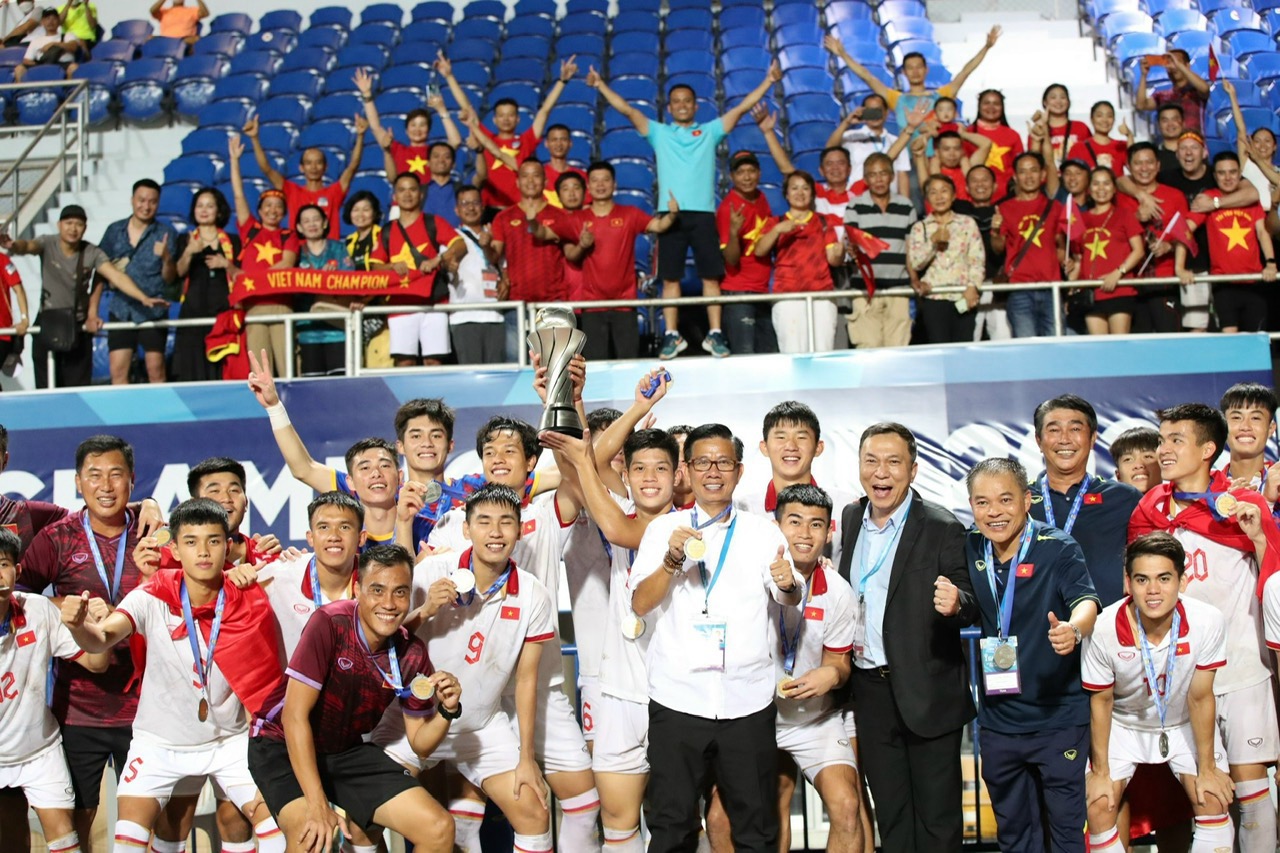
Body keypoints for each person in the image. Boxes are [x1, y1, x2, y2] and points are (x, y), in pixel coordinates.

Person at [59, 498, 286, 853]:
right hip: (159, 744)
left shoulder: (247, 596)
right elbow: (102, 637)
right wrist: (77, 627)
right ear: (176, 550)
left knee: (280, 830)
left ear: (227, 546)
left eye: (213, 541)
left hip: (229, 742)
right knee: (128, 844)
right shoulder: (151, 596)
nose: (203, 552)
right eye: (191, 542)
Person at [426, 413, 601, 853]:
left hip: (537, 689)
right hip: (470, 692)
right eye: (489, 452)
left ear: (532, 461)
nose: (498, 459)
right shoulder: (454, 522)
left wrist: (564, 403)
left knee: (581, 802)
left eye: (510, 451)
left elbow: (582, 474)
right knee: (463, 806)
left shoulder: (544, 513)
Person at [629, 422, 803, 850]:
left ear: (739, 471)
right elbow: (639, 604)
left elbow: (789, 594)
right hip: (678, 699)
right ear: (686, 470)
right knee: (671, 828)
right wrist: (671, 560)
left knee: (756, 829)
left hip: (747, 702)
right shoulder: (661, 531)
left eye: (724, 462)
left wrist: (787, 582)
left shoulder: (763, 532)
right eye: (703, 461)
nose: (713, 471)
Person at [1129, 403, 1280, 853]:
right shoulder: (1149, 508)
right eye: (1162, 439)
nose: (1164, 450)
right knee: (1204, 790)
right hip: (1183, 678)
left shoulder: (1243, 506)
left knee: (1251, 783)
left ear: (1208, 448)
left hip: (1242, 670)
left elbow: (1273, 580)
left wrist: (1258, 537)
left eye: (1176, 440)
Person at [377, 484, 560, 853]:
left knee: (534, 811)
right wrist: (424, 611)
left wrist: (526, 759)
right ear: (466, 529)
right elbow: (382, 645)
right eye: (485, 522)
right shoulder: (431, 571)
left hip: (481, 727)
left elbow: (526, 680)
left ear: (520, 530)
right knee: (362, 819)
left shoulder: (534, 594)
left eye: (506, 522)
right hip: (411, 725)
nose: (495, 533)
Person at [247, 544, 460, 853]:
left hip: (343, 751)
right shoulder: (331, 623)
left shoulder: (412, 655)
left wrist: (447, 710)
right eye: (377, 590)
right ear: (358, 589)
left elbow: (421, 743)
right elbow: (294, 717)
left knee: (439, 828)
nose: (389, 602)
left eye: (400, 592)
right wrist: (318, 805)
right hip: (278, 742)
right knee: (312, 835)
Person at [836, 422, 976, 853]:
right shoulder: (852, 516)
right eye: (871, 461)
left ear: (913, 470)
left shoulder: (941, 526)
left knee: (938, 822)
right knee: (893, 818)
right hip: (870, 691)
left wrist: (957, 604)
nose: (881, 472)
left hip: (927, 690)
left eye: (894, 462)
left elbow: (970, 599)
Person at [705, 484, 865, 853]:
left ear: (829, 533)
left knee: (847, 807)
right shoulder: (746, 578)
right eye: (794, 522)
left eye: (816, 525)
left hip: (813, 721)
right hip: (753, 717)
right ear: (775, 526)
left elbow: (839, 664)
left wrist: (832, 675)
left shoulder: (839, 592)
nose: (805, 534)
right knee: (719, 818)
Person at [588, 61, 782, 360]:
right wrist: (600, 85)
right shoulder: (659, 133)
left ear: (695, 106)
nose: (682, 106)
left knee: (711, 277)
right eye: (676, 102)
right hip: (671, 215)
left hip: (704, 214)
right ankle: (671, 335)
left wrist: (769, 81)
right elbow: (628, 111)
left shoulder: (709, 131)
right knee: (670, 278)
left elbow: (742, 108)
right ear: (669, 107)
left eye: (687, 101)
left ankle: (715, 334)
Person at [15, 436, 151, 850]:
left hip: (146, 712)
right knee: (80, 828)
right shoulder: (58, 538)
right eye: (94, 476)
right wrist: (66, 605)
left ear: (132, 481)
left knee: (142, 830)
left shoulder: (155, 535)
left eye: (116, 475)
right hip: (78, 712)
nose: (105, 486)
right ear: (78, 483)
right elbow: (17, 595)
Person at [965, 456, 1100, 853]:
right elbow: (969, 601)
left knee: (1065, 834)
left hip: (1057, 717)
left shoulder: (1056, 547)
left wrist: (1073, 629)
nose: (994, 512)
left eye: (1005, 500)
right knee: (1015, 835)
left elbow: (1087, 601)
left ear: (1027, 500)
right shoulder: (971, 545)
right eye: (982, 502)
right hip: (999, 722)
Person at [1081, 532, 1235, 853]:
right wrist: (1101, 772)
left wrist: (1207, 769)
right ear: (1128, 582)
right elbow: (1102, 701)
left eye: (1164, 578)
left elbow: (1200, 697)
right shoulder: (1103, 627)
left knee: (1213, 798)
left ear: (1183, 581)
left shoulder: (1208, 621)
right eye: (1142, 579)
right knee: (1098, 802)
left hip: (1183, 723)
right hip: (1124, 725)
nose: (1153, 590)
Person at [0, 527, 108, 853]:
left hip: (39, 752)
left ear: (17, 571)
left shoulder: (37, 609)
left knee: (65, 839)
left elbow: (97, 662)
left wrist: (91, 628)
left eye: (2, 563)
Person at [247, 351, 402, 548]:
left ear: (400, 476)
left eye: (384, 465)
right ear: (350, 482)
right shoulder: (349, 500)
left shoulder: (418, 513)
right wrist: (274, 407)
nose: (376, 474)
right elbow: (304, 468)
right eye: (364, 467)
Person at [0, 204, 165, 389]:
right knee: (46, 388)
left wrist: (143, 298)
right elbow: (28, 246)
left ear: (85, 228)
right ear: (59, 225)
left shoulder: (92, 252)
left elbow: (116, 276)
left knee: (77, 389)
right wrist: (13, 245)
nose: (73, 228)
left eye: (78, 224)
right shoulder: (47, 243)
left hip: (77, 327)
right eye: (68, 223)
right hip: (48, 325)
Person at [1030, 395, 1143, 607]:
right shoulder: (1017, 501)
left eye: (1075, 429)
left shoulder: (1125, 499)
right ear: (1039, 440)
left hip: (1104, 631)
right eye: (1054, 430)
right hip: (1039, 631)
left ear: (1092, 439)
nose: (1064, 439)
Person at [436, 52, 577, 216]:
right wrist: (449, 76)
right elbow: (467, 107)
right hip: (489, 210)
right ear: (494, 120)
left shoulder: (527, 140)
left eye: (510, 115)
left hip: (521, 210)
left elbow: (544, 111)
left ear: (518, 119)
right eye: (501, 115)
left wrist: (562, 81)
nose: (506, 119)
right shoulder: (486, 137)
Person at [570, 160, 679, 361]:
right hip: (592, 306)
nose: (600, 185)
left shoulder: (629, 214)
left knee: (628, 366)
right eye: (595, 180)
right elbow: (570, 255)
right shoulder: (578, 218)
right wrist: (582, 245)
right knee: (595, 368)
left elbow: (659, 226)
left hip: (625, 304)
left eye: (605, 180)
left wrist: (672, 215)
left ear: (615, 184)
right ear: (588, 186)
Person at [824, 27, 1001, 147]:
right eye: (910, 68)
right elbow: (867, 77)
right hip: (908, 161)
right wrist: (843, 54)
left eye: (919, 67)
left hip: (938, 159)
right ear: (904, 73)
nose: (915, 72)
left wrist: (986, 47)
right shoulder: (897, 99)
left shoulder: (942, 95)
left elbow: (965, 72)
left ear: (926, 70)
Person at [737, 400, 857, 568]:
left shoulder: (845, 506)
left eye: (801, 437)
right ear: (764, 447)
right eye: (780, 437)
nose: (791, 446)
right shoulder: (744, 509)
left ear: (818, 447)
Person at [369, 171, 466, 367]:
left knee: (434, 361)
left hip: (434, 302)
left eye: (412, 189)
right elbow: (375, 266)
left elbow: (460, 245)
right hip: (400, 304)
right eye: (402, 190)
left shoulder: (434, 222)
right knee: (404, 362)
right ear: (395, 196)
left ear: (421, 194)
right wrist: (391, 266)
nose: (407, 194)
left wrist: (438, 259)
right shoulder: (386, 231)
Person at [1179, 152, 1276, 333]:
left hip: (1253, 281)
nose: (1228, 177)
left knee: (1257, 339)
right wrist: (1179, 267)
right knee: (1229, 338)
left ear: (1240, 174)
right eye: (1222, 173)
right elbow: (1184, 231)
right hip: (1223, 283)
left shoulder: (1250, 199)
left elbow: (1263, 232)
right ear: (1215, 176)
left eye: (1232, 172)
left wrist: (1271, 263)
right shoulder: (1207, 198)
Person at [227, 133, 297, 377]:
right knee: (259, 373)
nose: (273, 211)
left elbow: (286, 264)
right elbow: (238, 196)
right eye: (267, 206)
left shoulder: (289, 235)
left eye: (278, 208)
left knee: (288, 369)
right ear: (259, 211)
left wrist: (252, 279)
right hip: (254, 307)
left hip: (281, 305)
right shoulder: (250, 230)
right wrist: (234, 160)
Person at [752, 170, 844, 353]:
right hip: (787, 297)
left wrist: (840, 253)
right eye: (794, 188)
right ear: (786, 194)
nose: (800, 193)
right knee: (792, 355)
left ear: (812, 193)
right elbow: (760, 251)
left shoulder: (824, 222)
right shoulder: (775, 222)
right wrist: (777, 230)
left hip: (821, 297)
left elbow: (833, 260)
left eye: (805, 188)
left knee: (823, 353)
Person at [96, 179, 176, 385]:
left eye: (152, 201)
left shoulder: (166, 233)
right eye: (141, 200)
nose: (146, 206)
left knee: (156, 370)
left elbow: (170, 278)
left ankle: (162, 416)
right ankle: (121, 416)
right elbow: (100, 271)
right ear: (132, 200)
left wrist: (167, 257)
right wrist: (92, 310)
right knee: (118, 370)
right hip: (121, 309)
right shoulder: (114, 231)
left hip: (154, 311)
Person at [243, 114, 367, 239]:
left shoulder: (334, 192)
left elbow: (353, 166)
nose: (313, 167)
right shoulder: (292, 191)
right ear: (301, 168)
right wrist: (254, 138)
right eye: (308, 163)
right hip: (298, 255)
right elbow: (267, 169)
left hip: (328, 256)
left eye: (318, 163)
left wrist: (360, 136)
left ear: (325, 167)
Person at [843, 152, 918, 349]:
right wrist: (850, 249)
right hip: (865, 290)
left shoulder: (906, 207)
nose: (878, 179)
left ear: (892, 176)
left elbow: (911, 248)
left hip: (898, 290)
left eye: (883, 173)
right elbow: (850, 242)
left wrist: (914, 279)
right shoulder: (855, 206)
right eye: (872, 174)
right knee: (868, 348)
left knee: (898, 348)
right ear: (865, 179)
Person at [991, 152, 1069, 338]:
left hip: (1051, 288)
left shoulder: (1056, 207)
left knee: (1056, 345)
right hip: (1019, 289)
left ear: (1043, 175)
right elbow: (998, 248)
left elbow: (1061, 245)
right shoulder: (1004, 208)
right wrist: (994, 230)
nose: (1029, 176)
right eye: (1023, 172)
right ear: (1015, 177)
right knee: (1026, 347)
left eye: (1033, 170)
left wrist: (1067, 258)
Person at [1118, 142, 1189, 334]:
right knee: (1137, 347)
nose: (1144, 168)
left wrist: (1169, 246)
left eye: (1149, 162)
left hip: (1164, 282)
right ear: (1129, 167)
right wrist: (1135, 218)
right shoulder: (1120, 197)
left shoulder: (1175, 196)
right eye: (1138, 163)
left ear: (1158, 165)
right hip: (1129, 282)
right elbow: (1114, 239)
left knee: (1169, 341)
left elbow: (1185, 237)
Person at [906, 174, 984, 343]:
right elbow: (916, 263)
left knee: (963, 347)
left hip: (963, 296)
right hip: (935, 299)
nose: (939, 197)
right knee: (940, 347)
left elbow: (977, 259)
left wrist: (973, 287)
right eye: (933, 193)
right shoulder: (921, 228)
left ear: (954, 195)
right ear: (927, 198)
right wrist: (933, 243)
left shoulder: (967, 223)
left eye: (944, 191)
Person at [172, 188, 240, 382]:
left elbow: (243, 277)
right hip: (192, 313)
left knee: (221, 369)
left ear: (219, 211)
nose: (204, 210)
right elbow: (177, 274)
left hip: (223, 314)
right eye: (199, 205)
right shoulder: (184, 240)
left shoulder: (233, 241)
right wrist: (189, 252)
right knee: (191, 370)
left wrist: (226, 264)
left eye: (210, 206)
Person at [1069, 167, 1145, 336]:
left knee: (1119, 346)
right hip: (1091, 292)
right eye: (1096, 184)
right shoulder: (1081, 219)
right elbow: (1079, 259)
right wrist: (1072, 283)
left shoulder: (1124, 214)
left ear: (1114, 188)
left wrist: (1117, 273)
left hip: (1119, 289)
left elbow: (1138, 251)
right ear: (1089, 189)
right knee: (1098, 347)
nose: (1101, 189)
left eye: (1106, 184)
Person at [715, 150, 778, 354]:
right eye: (741, 172)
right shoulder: (728, 208)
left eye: (751, 171)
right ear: (732, 177)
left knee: (769, 357)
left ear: (759, 173)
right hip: (739, 294)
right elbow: (731, 260)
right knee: (745, 358)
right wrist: (733, 232)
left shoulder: (762, 198)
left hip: (762, 293)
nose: (747, 177)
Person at [354, 67, 462, 184]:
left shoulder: (435, 153)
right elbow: (376, 127)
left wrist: (442, 110)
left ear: (429, 129)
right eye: (413, 125)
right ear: (406, 130)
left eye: (422, 125)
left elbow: (455, 141)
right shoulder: (397, 149)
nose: (417, 129)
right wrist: (367, 95)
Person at [293, 204, 356, 378]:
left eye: (316, 219)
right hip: (307, 330)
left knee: (340, 385)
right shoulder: (295, 253)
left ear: (325, 223)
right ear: (299, 227)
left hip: (337, 330)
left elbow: (352, 281)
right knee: (313, 387)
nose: (312, 224)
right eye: (306, 221)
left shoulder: (338, 249)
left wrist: (334, 279)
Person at [449, 185, 506, 364]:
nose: (471, 208)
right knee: (471, 377)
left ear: (483, 207)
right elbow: (447, 264)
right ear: (456, 210)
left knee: (497, 377)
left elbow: (504, 266)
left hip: (495, 315)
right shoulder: (451, 237)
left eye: (475, 202)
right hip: (465, 316)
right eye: (465, 203)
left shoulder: (495, 235)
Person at [953, 165, 1009, 339]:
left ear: (995, 186)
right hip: (968, 285)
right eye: (974, 181)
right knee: (968, 338)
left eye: (985, 180)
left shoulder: (1006, 210)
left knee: (1003, 338)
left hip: (998, 285)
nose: (980, 185)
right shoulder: (957, 210)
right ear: (967, 188)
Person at [825, 94, 914, 199]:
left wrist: (906, 207)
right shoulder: (851, 136)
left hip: (889, 200)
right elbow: (829, 150)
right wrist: (847, 122)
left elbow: (902, 175)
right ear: (863, 113)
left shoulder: (896, 141)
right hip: (857, 198)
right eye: (870, 112)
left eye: (878, 111)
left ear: (886, 113)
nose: (874, 115)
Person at [1219, 382, 1280, 500]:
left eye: (1255, 418)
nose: (1245, 426)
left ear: (1271, 429)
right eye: (1236, 417)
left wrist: (1268, 502)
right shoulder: (1208, 488)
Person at [909, 128, 993, 204]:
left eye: (956, 149)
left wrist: (962, 134)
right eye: (946, 149)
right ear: (937, 152)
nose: (952, 154)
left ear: (962, 151)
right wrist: (929, 134)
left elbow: (986, 143)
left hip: (967, 218)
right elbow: (917, 148)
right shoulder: (930, 167)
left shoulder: (968, 168)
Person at [1135, 50, 1210, 135]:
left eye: (1176, 62)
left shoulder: (1196, 91)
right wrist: (1144, 75)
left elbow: (1205, 89)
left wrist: (1179, 66)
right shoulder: (1163, 96)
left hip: (1195, 144)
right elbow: (1141, 105)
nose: (1173, 66)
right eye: (1168, 63)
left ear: (1187, 66)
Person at [968, 90, 1025, 195]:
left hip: (1006, 194)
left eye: (996, 104)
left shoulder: (1013, 135)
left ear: (1002, 107)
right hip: (975, 194)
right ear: (979, 106)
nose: (991, 107)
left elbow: (1020, 167)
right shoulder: (968, 133)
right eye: (986, 103)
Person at [1067, 101, 1132, 173]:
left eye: (1109, 116)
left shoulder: (1121, 146)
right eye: (1099, 116)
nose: (1104, 120)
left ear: (1114, 120)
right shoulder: (1078, 148)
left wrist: (1129, 135)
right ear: (1092, 119)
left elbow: (1133, 167)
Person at [1036, 84, 1092, 167]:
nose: (1058, 101)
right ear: (1045, 102)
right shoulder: (1038, 129)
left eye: (1063, 97)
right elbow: (1034, 160)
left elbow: (1090, 156)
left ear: (1068, 102)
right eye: (1053, 97)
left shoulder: (1081, 127)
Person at [11, 7, 72, 82]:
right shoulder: (36, 41)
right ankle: (22, 93)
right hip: (41, 65)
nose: (50, 21)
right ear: (42, 22)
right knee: (19, 69)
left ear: (58, 20)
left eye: (54, 18)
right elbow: (27, 60)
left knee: (73, 67)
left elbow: (73, 46)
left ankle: (70, 92)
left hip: (61, 65)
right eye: (47, 18)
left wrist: (53, 44)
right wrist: (39, 65)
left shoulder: (67, 36)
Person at [543, 123, 588, 208]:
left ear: (570, 143)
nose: (559, 144)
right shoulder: (539, 176)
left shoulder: (582, 176)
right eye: (554, 140)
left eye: (563, 139)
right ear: (546, 143)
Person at [1112, 427, 1162, 494]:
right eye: (1128, 459)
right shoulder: (1106, 503)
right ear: (1118, 475)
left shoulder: (1177, 503)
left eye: (1148, 457)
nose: (1138, 465)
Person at [343, 189, 383, 270]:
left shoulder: (382, 235)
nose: (360, 214)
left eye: (366, 210)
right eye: (356, 210)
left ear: (375, 213)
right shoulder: (349, 240)